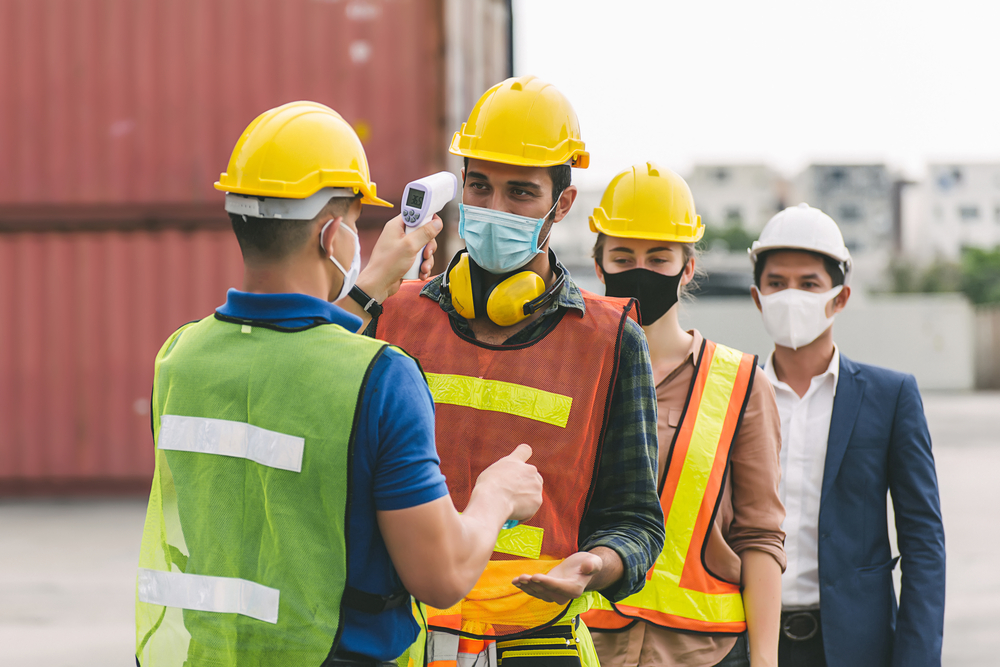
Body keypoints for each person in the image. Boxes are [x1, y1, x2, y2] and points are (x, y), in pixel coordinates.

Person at [134, 101, 547, 667]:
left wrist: (373, 282)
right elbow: (443, 576)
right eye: (354, 221)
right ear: (333, 234)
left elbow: (286, 362)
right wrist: (496, 496)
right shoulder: (383, 379)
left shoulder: (180, 358)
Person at [363, 76, 666, 666]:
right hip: (403, 638)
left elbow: (635, 522)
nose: (494, 209)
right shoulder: (392, 316)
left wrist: (596, 565)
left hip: (539, 646)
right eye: (479, 186)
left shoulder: (612, 342)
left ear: (563, 203)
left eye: (521, 193)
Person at [581, 163, 785, 667]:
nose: (641, 270)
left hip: (705, 652)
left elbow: (760, 536)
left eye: (660, 256)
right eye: (623, 255)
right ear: (598, 262)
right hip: (584, 647)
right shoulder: (572, 371)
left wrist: (766, 661)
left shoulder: (740, 385)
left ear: (687, 268)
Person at [748, 203, 946, 667]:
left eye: (809, 283)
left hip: (857, 647)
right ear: (757, 297)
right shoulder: (731, 393)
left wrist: (916, 659)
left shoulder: (890, 395)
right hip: (747, 642)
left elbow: (923, 540)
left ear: (840, 297)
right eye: (776, 283)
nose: (790, 296)